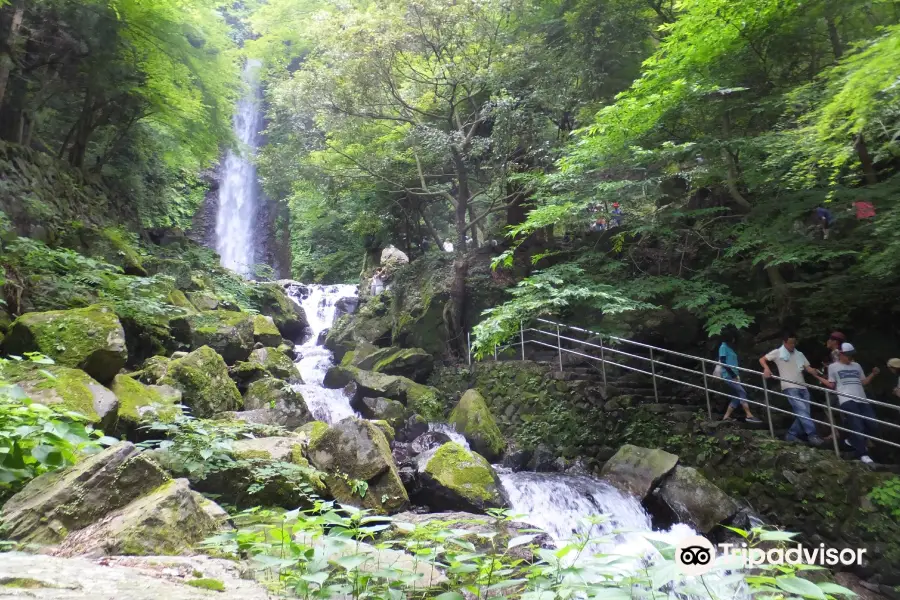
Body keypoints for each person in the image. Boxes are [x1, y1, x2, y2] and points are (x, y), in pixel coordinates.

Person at [818, 343, 879, 464]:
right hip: (846, 399)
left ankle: (852, 441)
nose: (850, 358)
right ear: (841, 354)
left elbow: (863, 382)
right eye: (848, 355)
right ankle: (863, 453)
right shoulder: (833, 367)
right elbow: (831, 384)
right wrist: (817, 376)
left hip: (862, 398)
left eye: (852, 355)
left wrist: (873, 374)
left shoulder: (857, 365)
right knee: (857, 425)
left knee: (873, 424)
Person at [759, 334, 825, 446]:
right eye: (790, 343)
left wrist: (815, 372)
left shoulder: (799, 354)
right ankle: (812, 435)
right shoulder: (778, 352)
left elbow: (808, 368)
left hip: (803, 387)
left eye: (794, 343)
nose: (792, 345)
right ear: (784, 342)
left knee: (804, 413)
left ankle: (791, 434)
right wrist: (766, 368)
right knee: (802, 411)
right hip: (789, 386)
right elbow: (762, 359)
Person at [718, 332, 762, 423]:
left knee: (737, 396)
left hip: (734, 375)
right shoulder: (723, 347)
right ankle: (749, 415)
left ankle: (726, 417)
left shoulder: (729, 348)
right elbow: (723, 361)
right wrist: (733, 375)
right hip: (729, 375)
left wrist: (735, 375)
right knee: (742, 392)